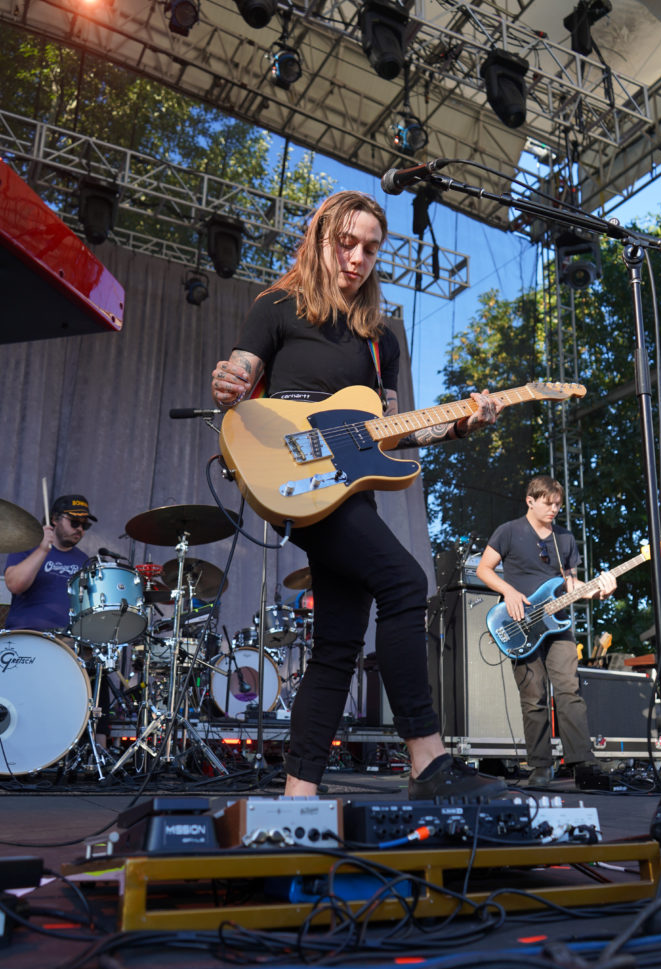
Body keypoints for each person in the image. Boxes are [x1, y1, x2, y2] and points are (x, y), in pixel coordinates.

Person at [211, 189, 508, 800]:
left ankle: (298, 795)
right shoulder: (277, 306)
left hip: (352, 493)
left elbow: (394, 431)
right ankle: (428, 762)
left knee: (337, 645)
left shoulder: (381, 340)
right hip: (299, 484)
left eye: (370, 249)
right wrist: (229, 380)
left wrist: (461, 423)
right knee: (404, 582)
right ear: (320, 237)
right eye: (346, 243)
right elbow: (240, 372)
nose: (357, 258)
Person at [475, 475, 617, 786]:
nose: (554, 509)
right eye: (548, 503)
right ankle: (540, 767)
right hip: (520, 624)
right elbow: (483, 569)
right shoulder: (509, 531)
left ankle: (583, 764)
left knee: (569, 690)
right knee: (533, 696)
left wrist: (599, 590)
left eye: (558, 504)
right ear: (530, 501)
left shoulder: (564, 538)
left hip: (558, 623)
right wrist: (509, 592)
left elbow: (570, 584)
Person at [4, 494, 96, 632]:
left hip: (67, 639)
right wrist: (42, 550)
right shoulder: (28, 547)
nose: (80, 529)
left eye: (85, 525)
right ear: (54, 519)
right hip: (26, 633)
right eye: (75, 522)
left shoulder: (85, 561)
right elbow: (15, 585)